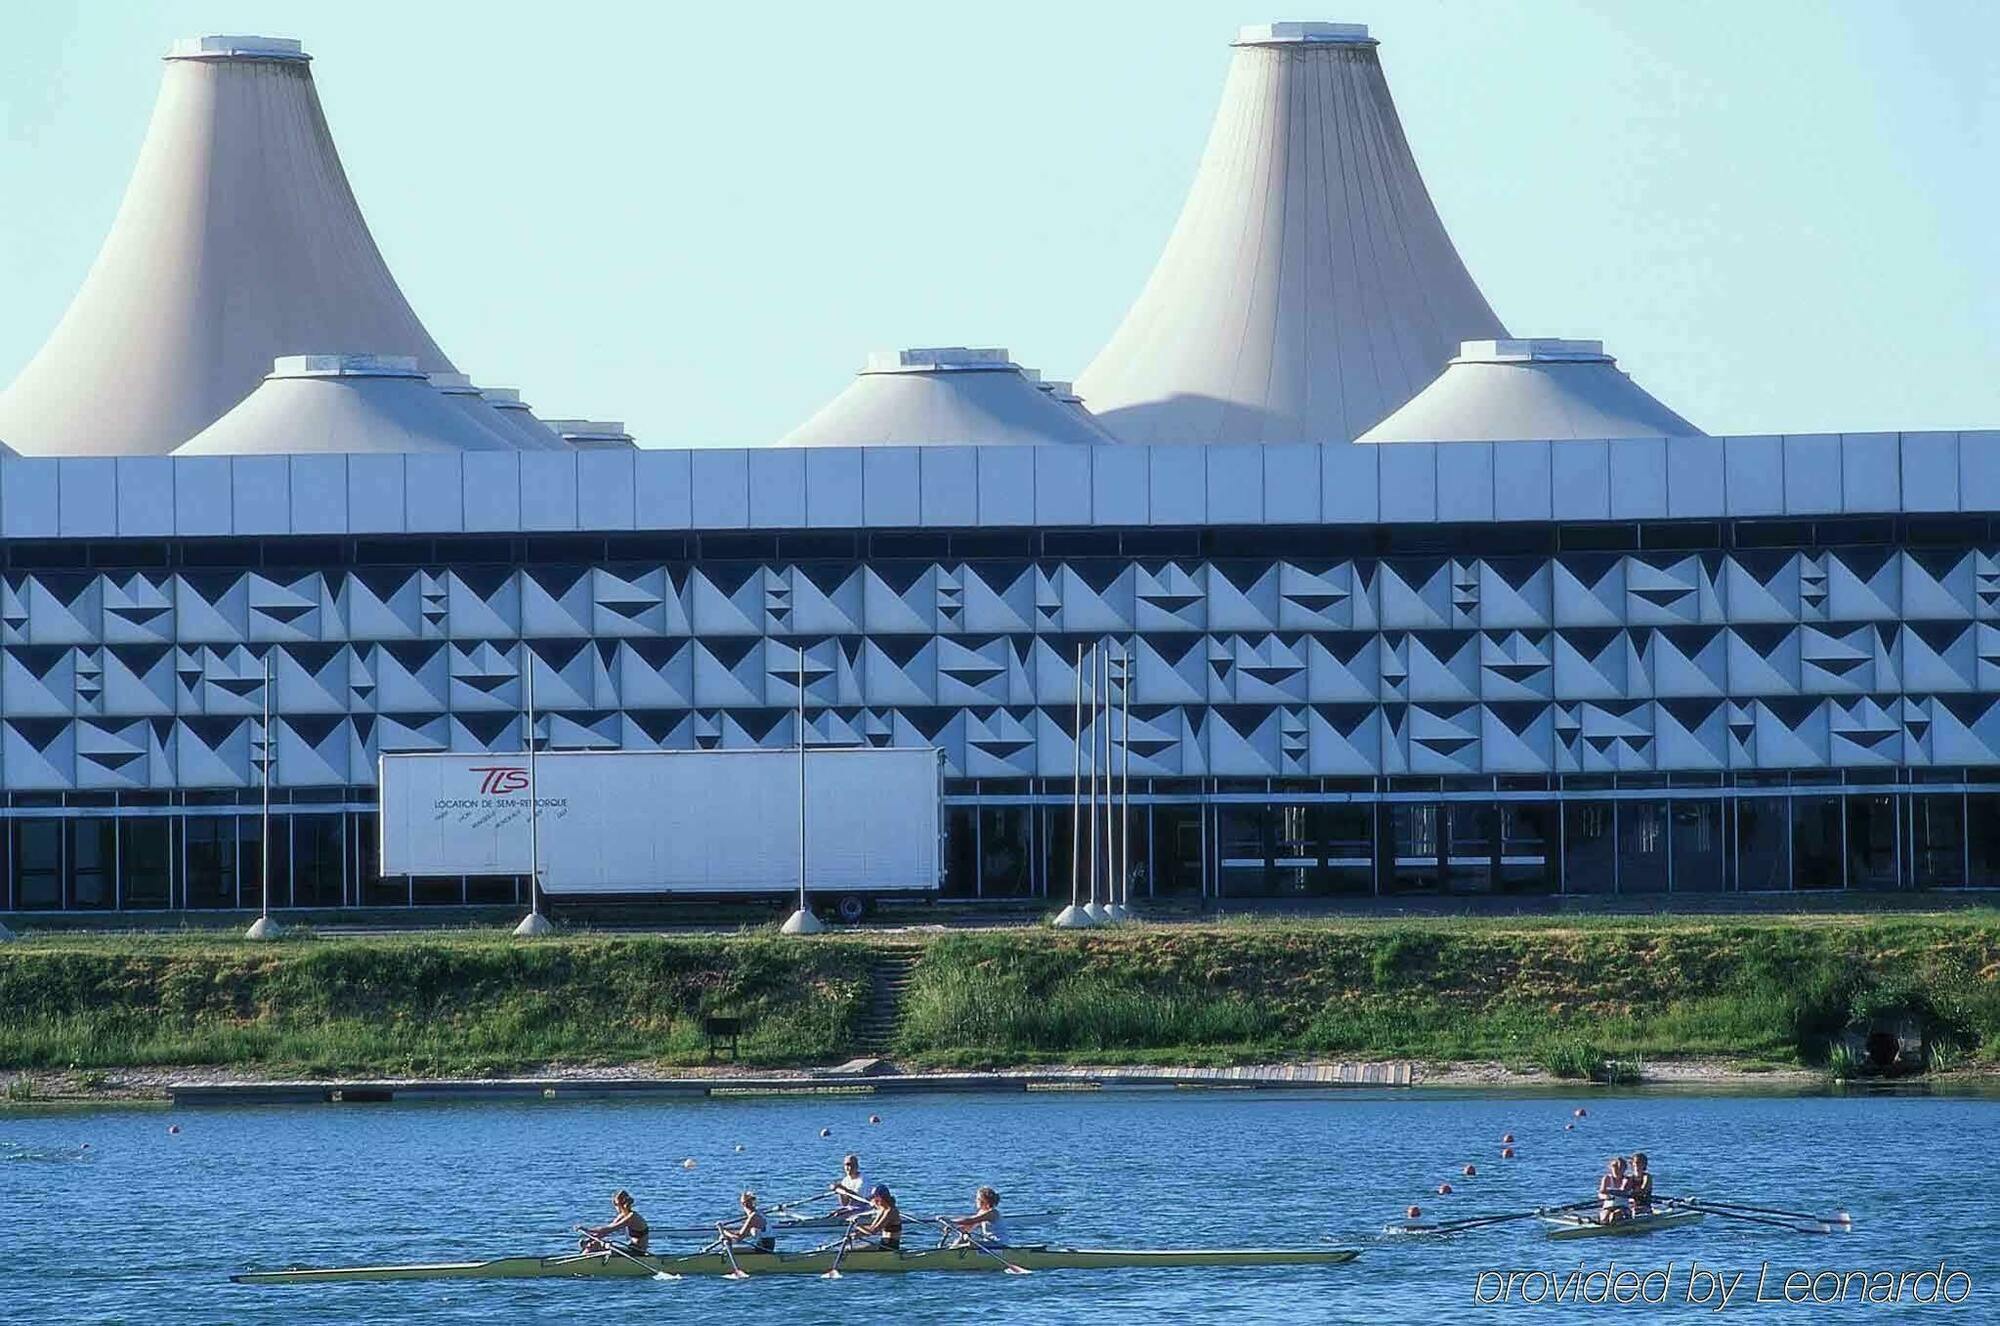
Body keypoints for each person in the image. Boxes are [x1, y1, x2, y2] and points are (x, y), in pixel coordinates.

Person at [579, 1190, 650, 1254]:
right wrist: (590, 1239)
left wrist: (587, 1229)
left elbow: (610, 1228)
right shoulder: (623, 1215)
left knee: (595, 1246)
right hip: (631, 1248)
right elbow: (605, 1232)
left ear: (619, 1205)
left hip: (638, 1252)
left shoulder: (632, 1217)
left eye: (615, 1205)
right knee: (593, 1245)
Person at [848, 1184, 903, 1251]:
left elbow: (873, 1231)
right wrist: (859, 1233)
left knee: (853, 1250)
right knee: (850, 1248)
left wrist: (856, 1225)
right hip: (883, 1244)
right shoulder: (882, 1209)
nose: (873, 1200)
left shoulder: (891, 1211)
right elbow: (872, 1228)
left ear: (881, 1198)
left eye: (875, 1198)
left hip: (891, 1247)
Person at [1597, 1156, 1633, 1224]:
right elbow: (1601, 1194)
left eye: (1620, 1167)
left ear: (1624, 1169)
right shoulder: (1606, 1178)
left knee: (1614, 1215)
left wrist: (1610, 1192)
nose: (1617, 1169)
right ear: (1610, 1167)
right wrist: (1606, 1197)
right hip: (1608, 1206)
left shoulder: (1627, 1179)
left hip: (1623, 1207)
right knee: (1604, 1218)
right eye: (1614, 1166)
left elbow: (1623, 1191)